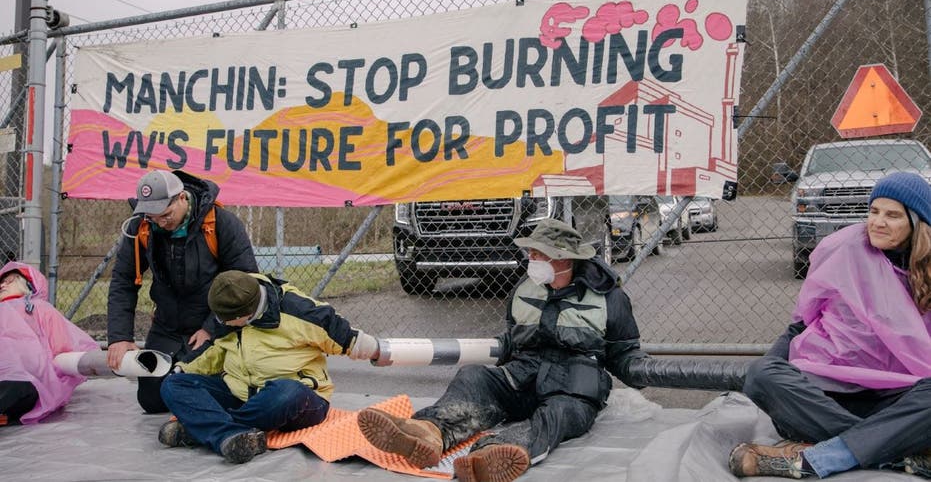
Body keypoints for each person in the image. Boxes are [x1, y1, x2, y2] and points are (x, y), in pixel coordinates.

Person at [357, 218, 649, 482]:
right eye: (531, 252)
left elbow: (623, 352)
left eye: (538, 254)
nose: (531, 259)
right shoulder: (525, 288)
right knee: (474, 378)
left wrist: (642, 370)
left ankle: (496, 453)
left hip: (573, 387)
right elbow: (513, 338)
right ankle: (427, 433)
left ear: (563, 257)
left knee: (558, 413)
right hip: (523, 376)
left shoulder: (609, 297)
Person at [729, 172, 931, 479]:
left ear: (917, 223)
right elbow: (800, 325)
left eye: (892, 215)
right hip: (826, 399)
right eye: (873, 211)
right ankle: (887, 452)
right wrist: (769, 373)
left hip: (897, 399)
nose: (877, 222)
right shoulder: (843, 250)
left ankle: (825, 456)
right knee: (761, 375)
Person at [157, 270, 379, 463]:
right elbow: (216, 350)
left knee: (287, 392)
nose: (219, 323)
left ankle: (204, 430)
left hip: (296, 398)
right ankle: (230, 436)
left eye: (225, 320)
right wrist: (184, 368)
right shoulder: (227, 308)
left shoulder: (299, 310)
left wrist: (378, 351)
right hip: (241, 393)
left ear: (245, 315)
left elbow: (346, 337)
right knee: (173, 384)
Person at [107, 169, 258, 413]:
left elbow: (247, 282)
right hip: (167, 327)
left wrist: (212, 327)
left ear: (181, 198)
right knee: (152, 401)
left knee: (219, 392)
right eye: (153, 216)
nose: (160, 222)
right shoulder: (141, 227)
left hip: (212, 326)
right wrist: (119, 337)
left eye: (165, 215)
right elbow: (123, 282)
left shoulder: (221, 223)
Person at [0, 261, 99, 425]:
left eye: (11, 280)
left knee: (21, 389)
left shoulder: (39, 309)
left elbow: (61, 347)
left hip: (23, 379)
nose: (3, 284)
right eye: (1, 281)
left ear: (27, 285)